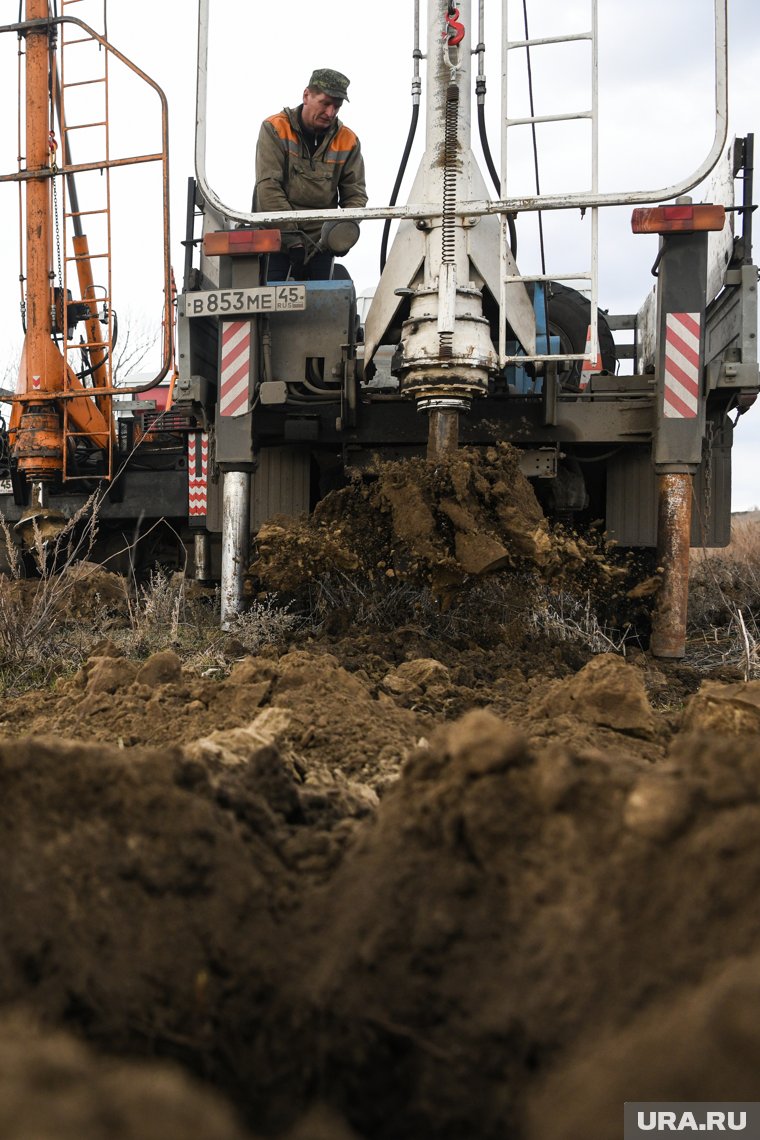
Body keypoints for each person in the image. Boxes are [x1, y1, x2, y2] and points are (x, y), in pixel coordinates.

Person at [254, 68, 367, 280]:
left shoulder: (348, 141)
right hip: (277, 242)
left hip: (322, 247)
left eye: (337, 106)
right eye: (325, 103)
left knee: (324, 305)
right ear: (306, 95)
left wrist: (342, 233)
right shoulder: (275, 129)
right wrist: (293, 239)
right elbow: (268, 186)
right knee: (272, 308)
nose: (331, 113)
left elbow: (355, 195)